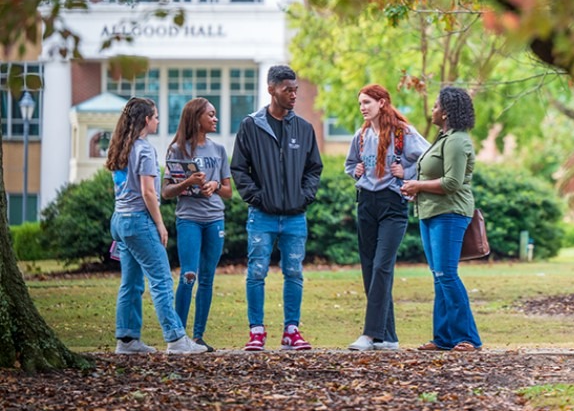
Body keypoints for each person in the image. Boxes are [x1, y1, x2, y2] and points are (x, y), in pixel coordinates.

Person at [231, 65, 323, 351]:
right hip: (262, 216)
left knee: (294, 272)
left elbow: (314, 169)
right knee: (256, 272)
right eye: (288, 90)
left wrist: (303, 196)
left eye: (295, 90)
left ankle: (291, 331)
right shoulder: (251, 126)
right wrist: (257, 198)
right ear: (271, 89)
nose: (294, 95)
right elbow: (238, 168)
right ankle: (256, 331)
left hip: (295, 216)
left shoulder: (304, 129)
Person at [106, 97, 207, 355]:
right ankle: (176, 339)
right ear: (146, 120)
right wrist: (160, 225)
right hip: (139, 221)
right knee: (161, 279)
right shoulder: (144, 150)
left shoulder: (121, 147)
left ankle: (127, 340)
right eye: (156, 117)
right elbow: (148, 192)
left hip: (119, 221)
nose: (159, 121)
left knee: (131, 282)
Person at [344, 84, 429, 351]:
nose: (362, 107)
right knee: (370, 269)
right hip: (366, 204)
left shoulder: (404, 133)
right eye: (360, 103)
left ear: (382, 103)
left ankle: (369, 335)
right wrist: (355, 170)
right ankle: (388, 337)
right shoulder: (361, 135)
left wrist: (407, 171)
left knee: (382, 266)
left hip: (393, 205)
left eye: (367, 102)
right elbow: (350, 165)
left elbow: (430, 158)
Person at [400, 86, 482, 352]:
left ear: (445, 113)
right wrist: (416, 189)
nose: (432, 110)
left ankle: (467, 338)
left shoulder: (458, 140)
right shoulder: (443, 138)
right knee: (438, 275)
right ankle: (443, 338)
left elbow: (452, 182)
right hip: (430, 212)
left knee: (447, 274)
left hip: (450, 213)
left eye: (435, 106)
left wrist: (418, 186)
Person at [162, 98, 232, 353]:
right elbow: (167, 192)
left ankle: (199, 337)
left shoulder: (219, 150)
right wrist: (187, 182)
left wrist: (214, 186)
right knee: (189, 275)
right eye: (211, 115)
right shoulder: (177, 150)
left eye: (215, 115)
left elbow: (228, 191)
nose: (215, 119)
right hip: (189, 219)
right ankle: (178, 339)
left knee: (207, 278)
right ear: (196, 118)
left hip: (215, 219)